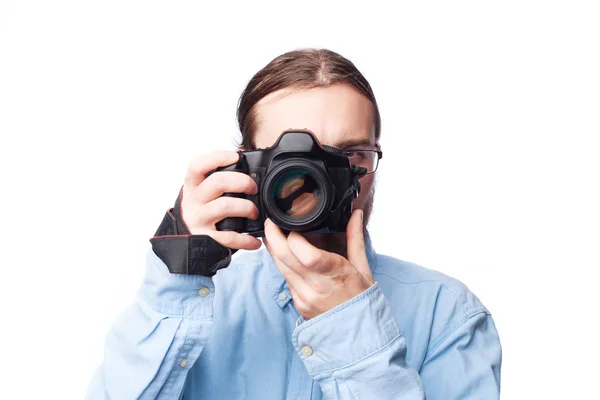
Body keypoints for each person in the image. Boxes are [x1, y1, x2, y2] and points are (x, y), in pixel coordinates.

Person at [86, 48, 502, 399]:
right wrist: (178, 269)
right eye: (290, 159)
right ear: (245, 166)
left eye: (351, 155)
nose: (315, 179)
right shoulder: (197, 302)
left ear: (375, 159)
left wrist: (354, 327)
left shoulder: (446, 314)